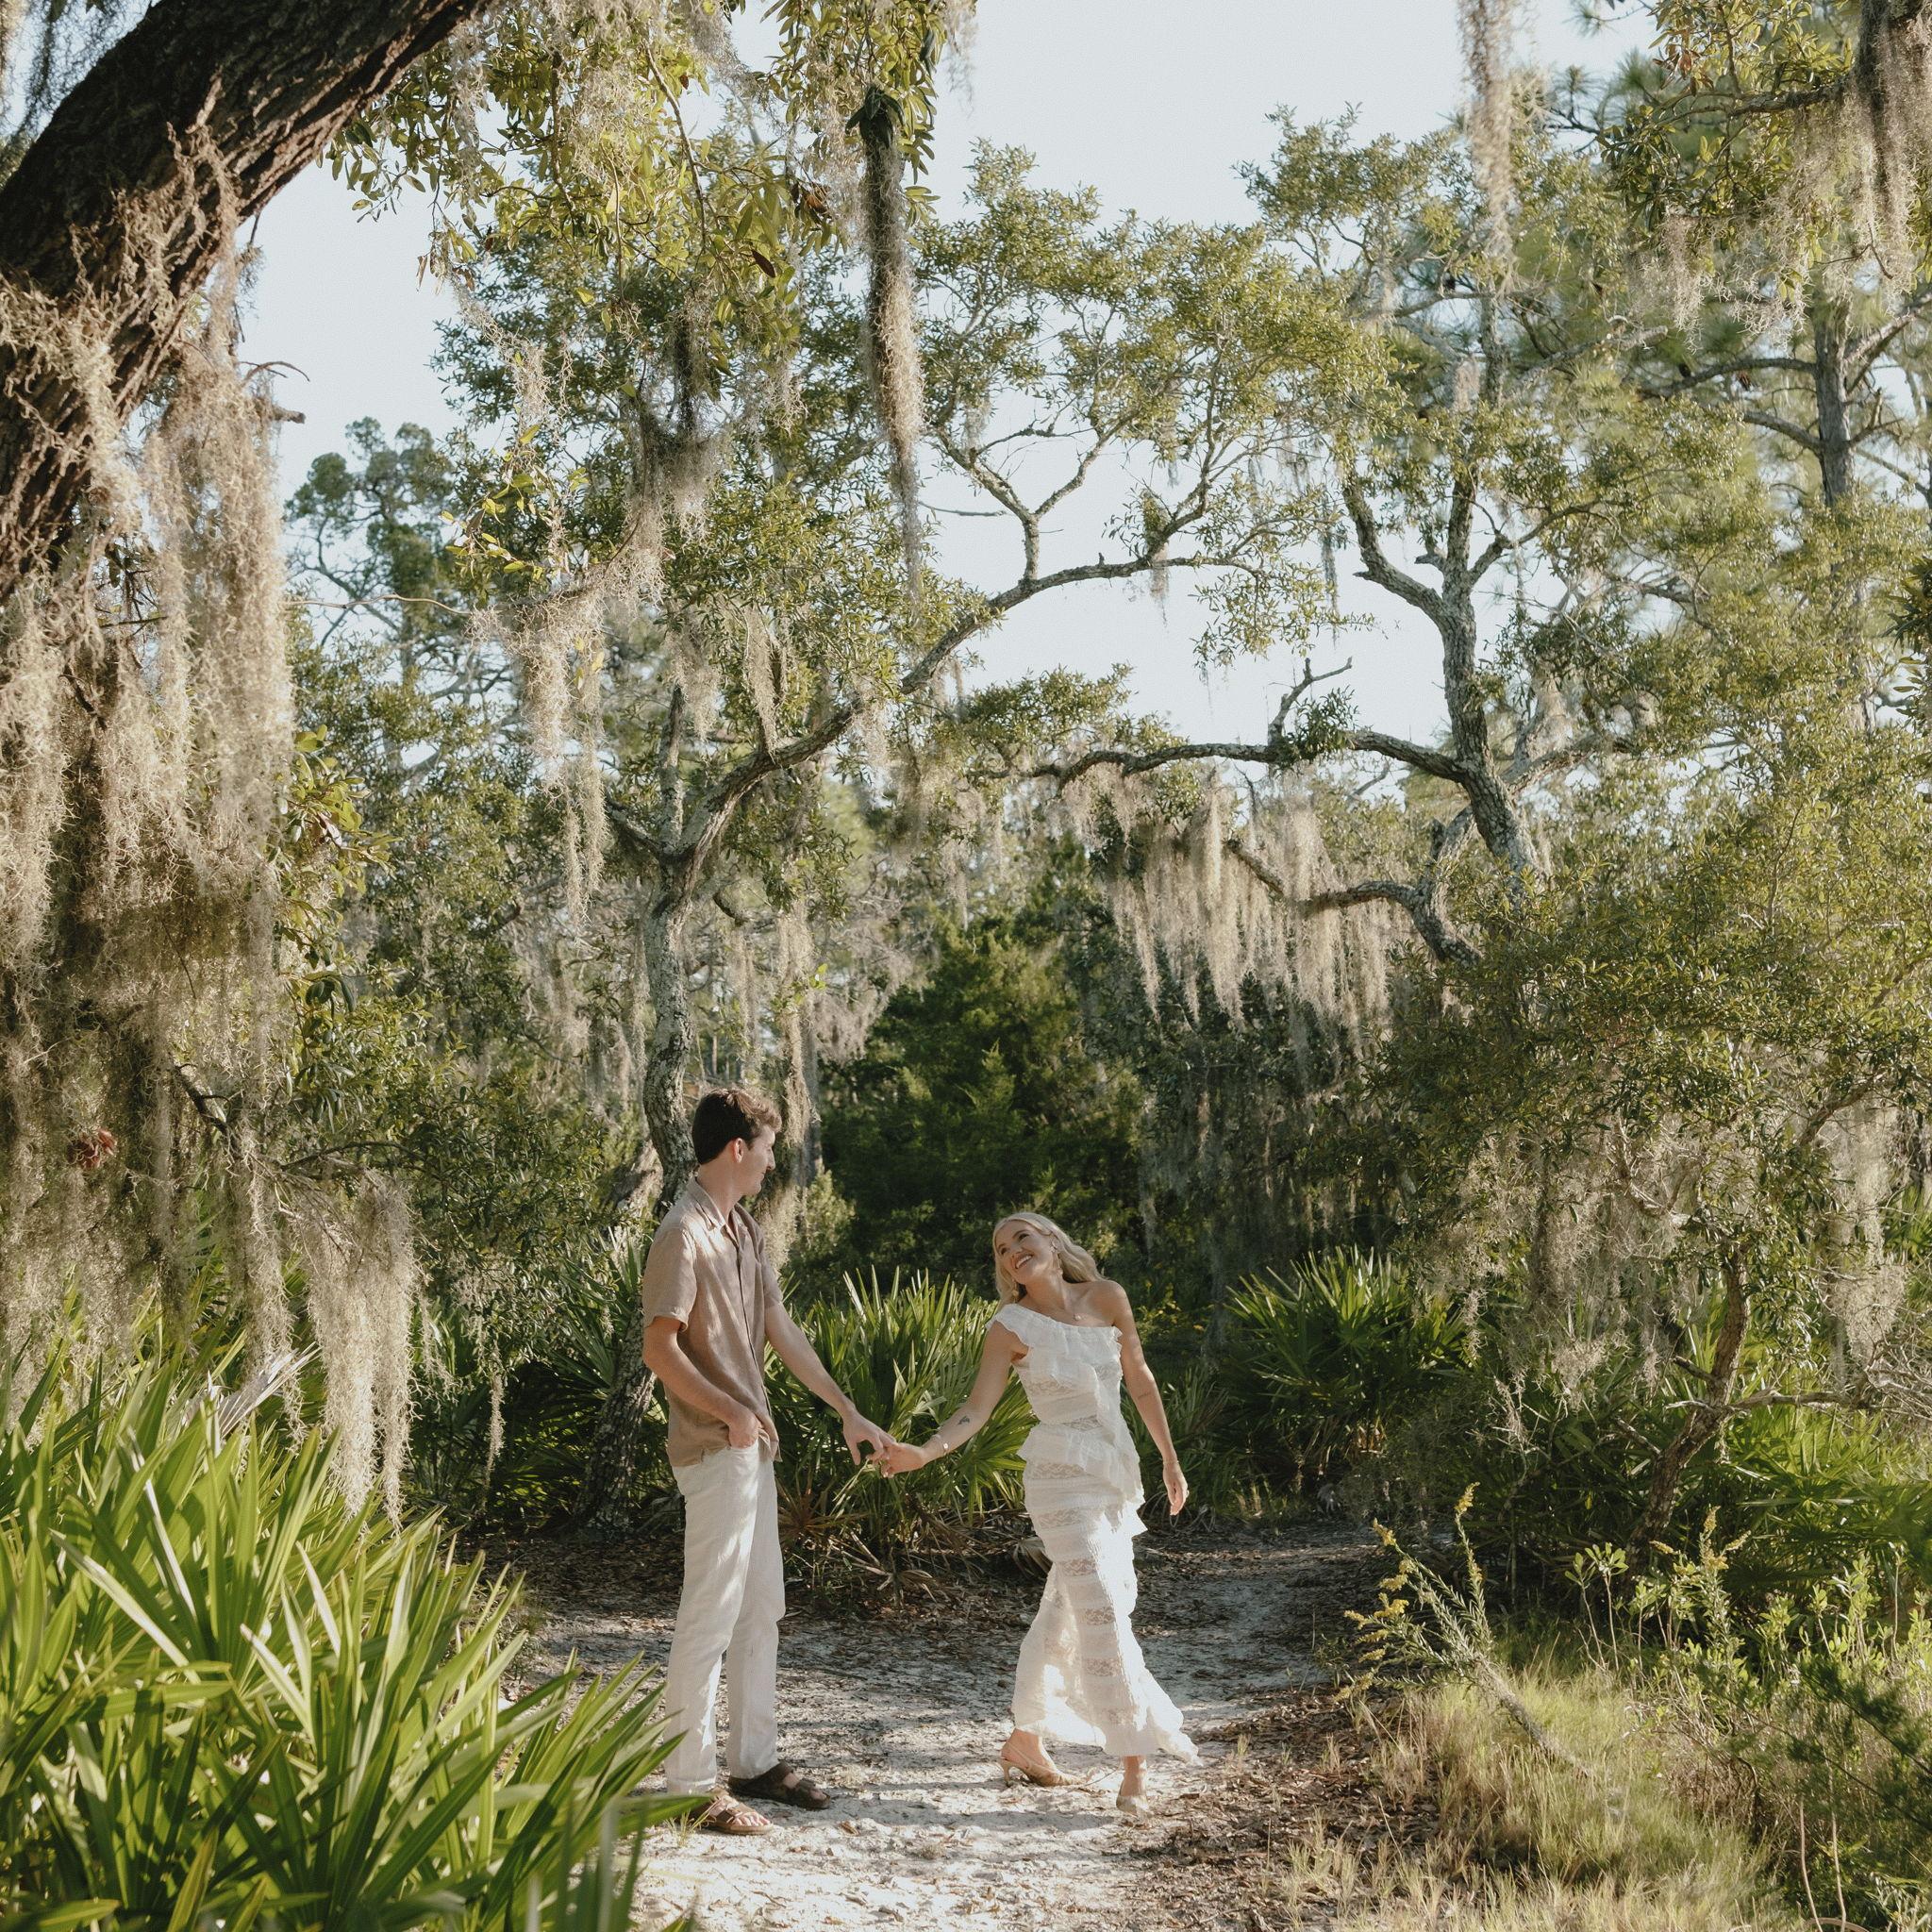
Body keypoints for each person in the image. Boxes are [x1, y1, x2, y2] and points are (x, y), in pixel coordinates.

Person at [878, 1211, 1196, 1815]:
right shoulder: (1010, 1327)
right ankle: (1133, 1755)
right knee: (1101, 1604)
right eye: (1001, 1249)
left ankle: (1024, 1739)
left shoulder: (1107, 1297)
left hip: (1111, 1472)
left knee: (1071, 1604)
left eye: (1021, 1237)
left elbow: (1139, 1378)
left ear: (1051, 1238)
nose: (1012, 1251)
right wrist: (923, 1452)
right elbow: (975, 1410)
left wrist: (1169, 1459)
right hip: (1058, 1478)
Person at [641, 1086, 895, 1834]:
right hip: (715, 1447)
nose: (773, 1163)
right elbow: (659, 1350)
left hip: (751, 1446)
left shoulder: (744, 1230)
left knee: (761, 1612)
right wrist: (731, 1414)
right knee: (711, 1614)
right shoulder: (682, 1234)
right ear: (737, 1149)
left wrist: (846, 1410)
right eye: (769, 1149)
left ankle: (754, 1763)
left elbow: (780, 1326)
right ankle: (690, 1787)